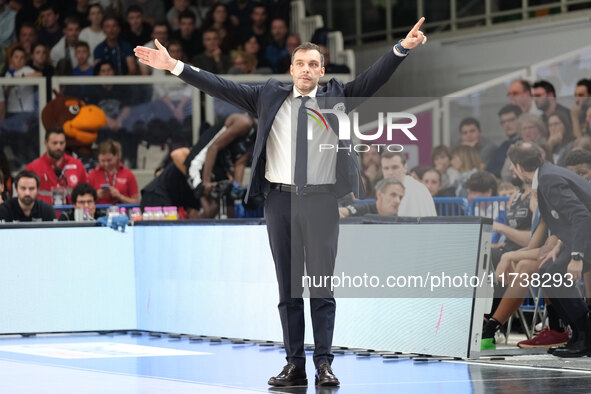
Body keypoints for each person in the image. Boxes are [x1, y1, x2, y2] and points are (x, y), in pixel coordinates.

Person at [135, 16, 427, 386]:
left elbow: (373, 78)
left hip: (321, 202)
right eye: (301, 64)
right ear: (291, 69)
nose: (307, 70)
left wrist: (402, 48)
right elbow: (218, 84)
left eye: (314, 65)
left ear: (322, 71)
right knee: (288, 289)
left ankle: (324, 364)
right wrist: (174, 66)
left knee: (321, 287)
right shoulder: (267, 95)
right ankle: (294, 364)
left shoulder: (336, 96)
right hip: (280, 201)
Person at [507, 141, 591, 357]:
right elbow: (566, 218)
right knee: (547, 271)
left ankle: (585, 335)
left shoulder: (549, 179)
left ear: (519, 167)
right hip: (578, 237)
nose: (511, 170)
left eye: (512, 166)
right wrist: (560, 245)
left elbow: (581, 216)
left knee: (554, 273)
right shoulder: (547, 175)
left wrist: (577, 257)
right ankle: (577, 333)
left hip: (585, 238)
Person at [25, 127, 87, 204]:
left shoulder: (77, 164)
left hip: (72, 213)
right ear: (46, 143)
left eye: (62, 143)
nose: (58, 147)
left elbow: (86, 193)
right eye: (54, 143)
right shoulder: (33, 168)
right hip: (44, 214)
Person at [380, 151, 436, 217]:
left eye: (395, 167)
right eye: (386, 168)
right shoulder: (413, 187)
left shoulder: (415, 190)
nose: (390, 172)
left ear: (405, 167)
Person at [88, 139, 139, 205]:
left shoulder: (128, 174)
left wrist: (120, 196)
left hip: (122, 213)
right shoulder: (92, 175)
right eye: (102, 161)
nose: (106, 164)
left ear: (117, 156)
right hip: (99, 213)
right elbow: (83, 201)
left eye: (109, 160)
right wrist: (96, 195)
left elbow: (136, 201)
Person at [486, 104, 522, 178]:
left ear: (521, 119)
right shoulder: (504, 145)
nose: (507, 124)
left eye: (511, 120)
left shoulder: (525, 143)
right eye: (503, 122)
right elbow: (489, 169)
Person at [339, 178, 404, 217]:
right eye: (393, 195)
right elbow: (341, 211)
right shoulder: (364, 209)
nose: (397, 201)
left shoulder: (398, 219)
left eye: (400, 197)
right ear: (379, 194)